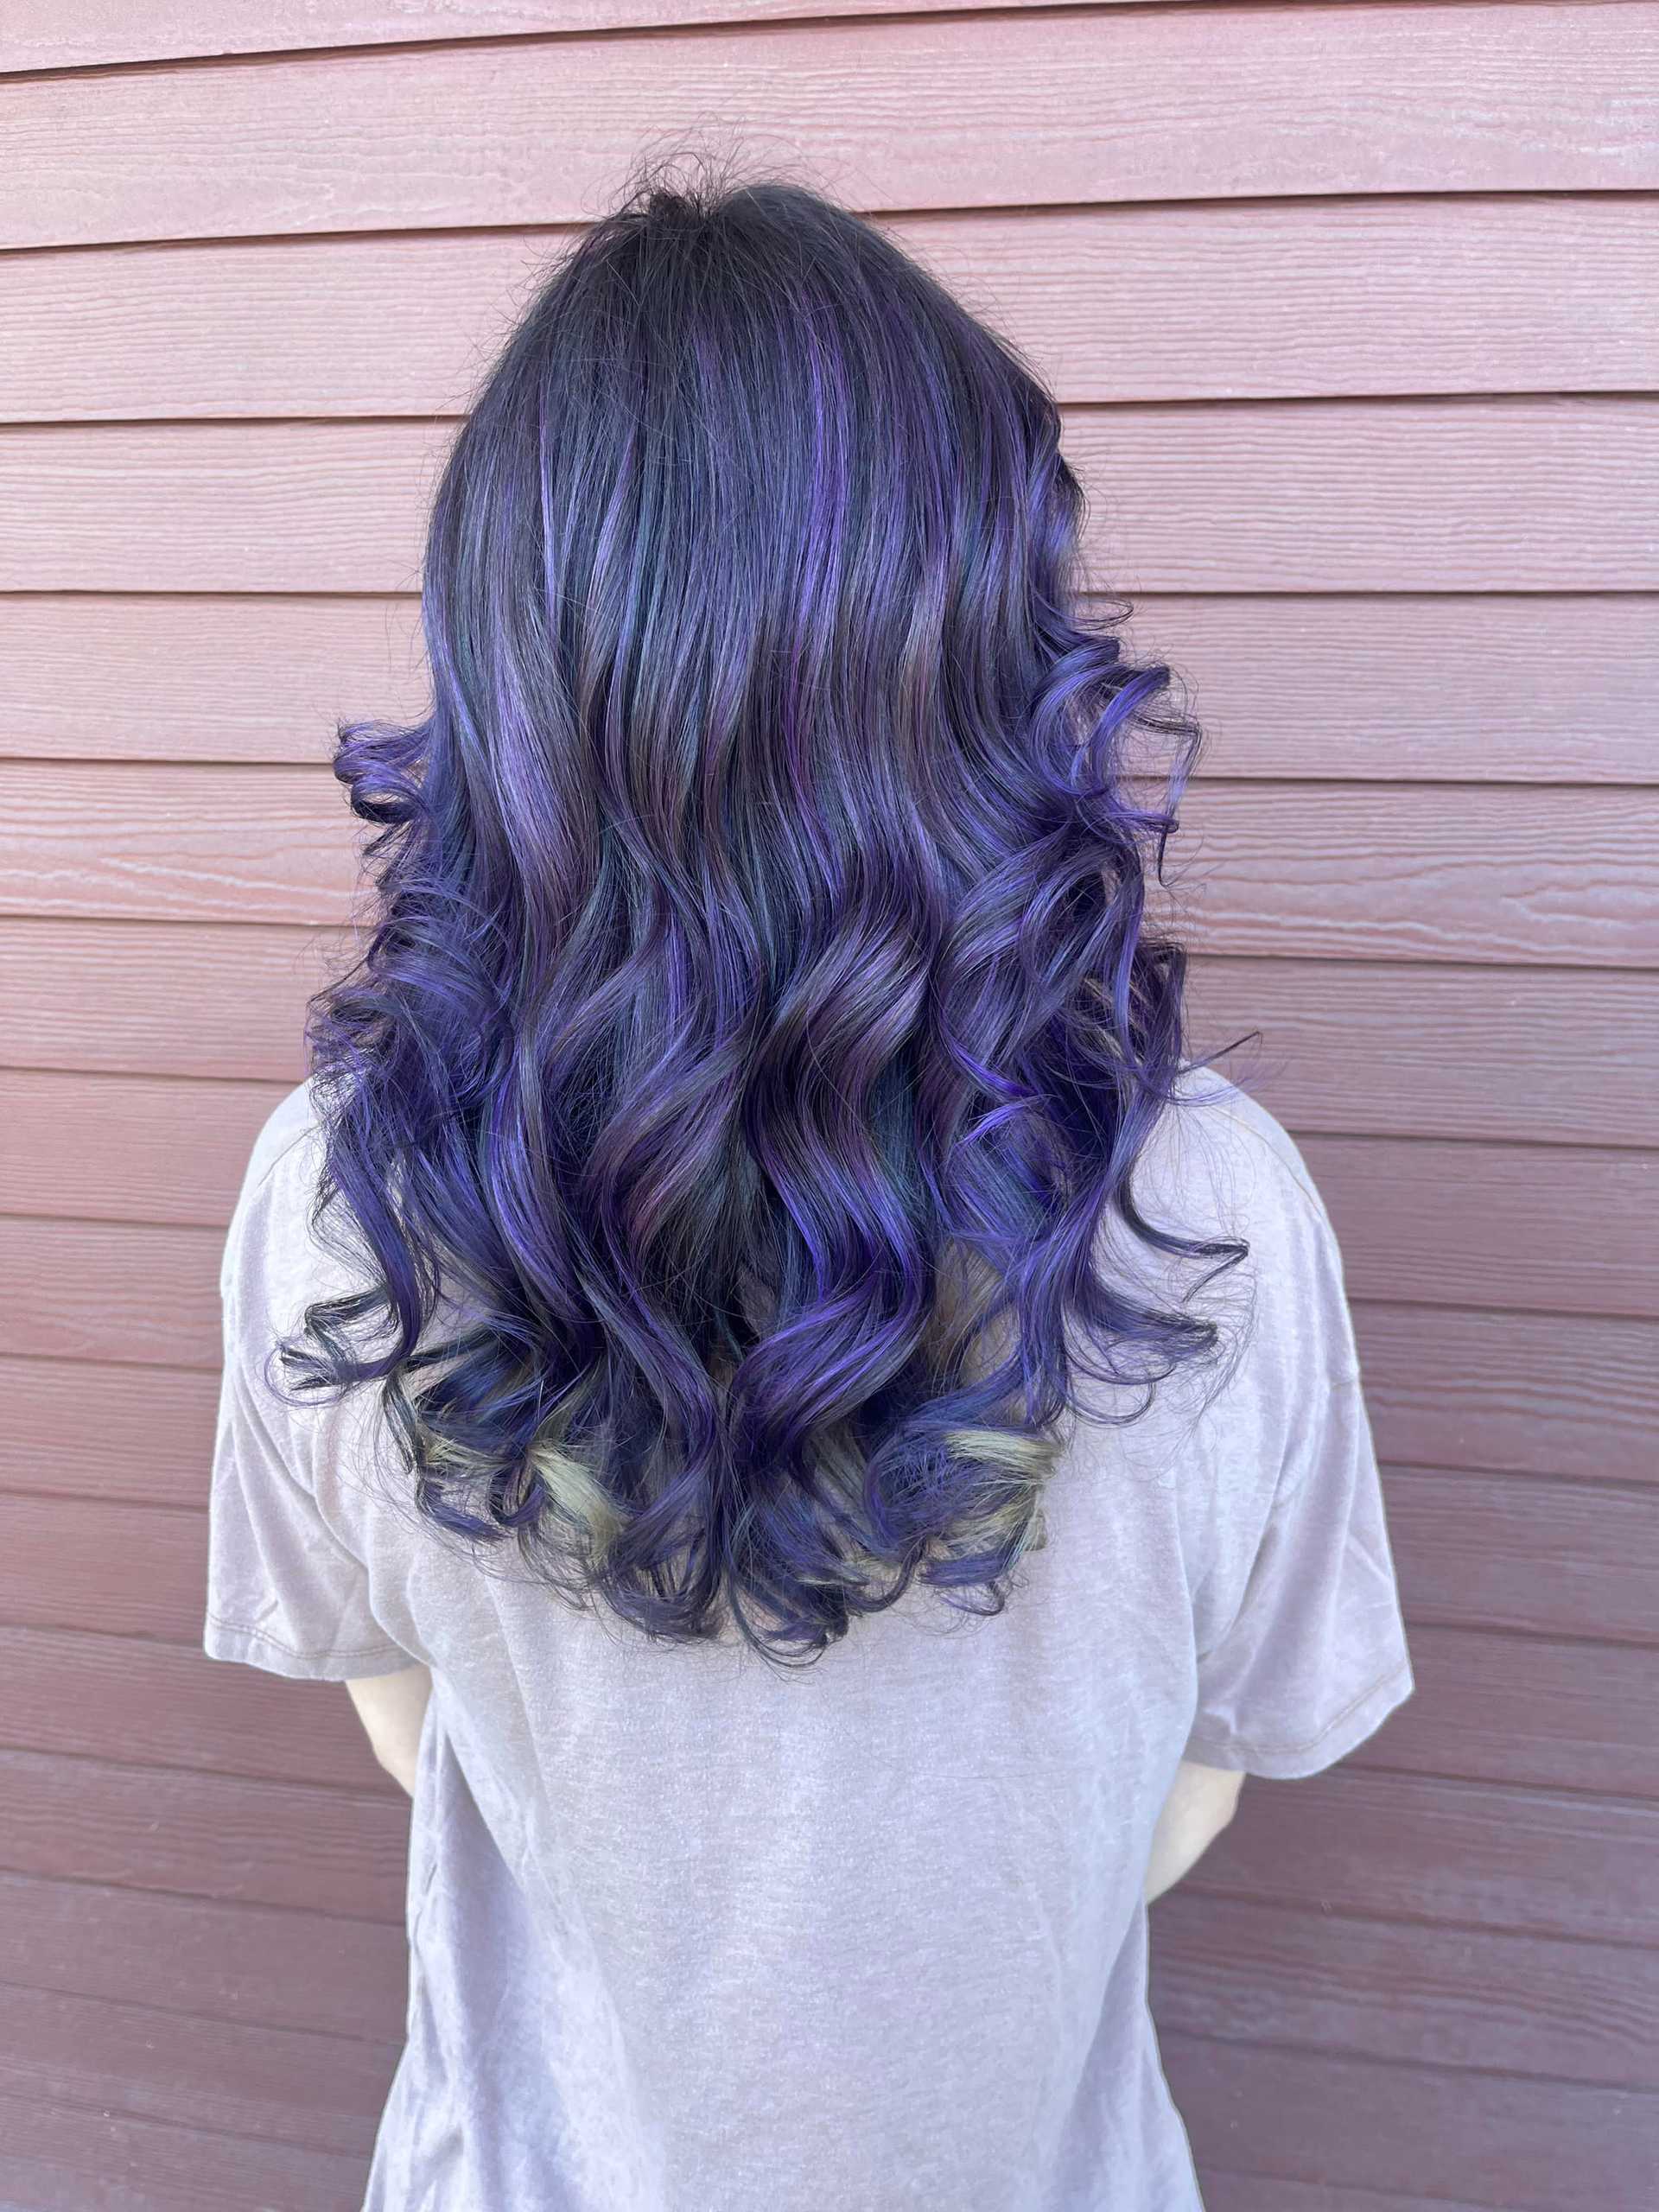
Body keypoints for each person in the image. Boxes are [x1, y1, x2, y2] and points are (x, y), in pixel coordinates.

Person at [202, 156, 1414, 2212]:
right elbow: (1197, 1784)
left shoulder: (342, 1198)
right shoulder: (1211, 1219)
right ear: (982, 657)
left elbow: (412, 1724)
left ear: (516, 675)